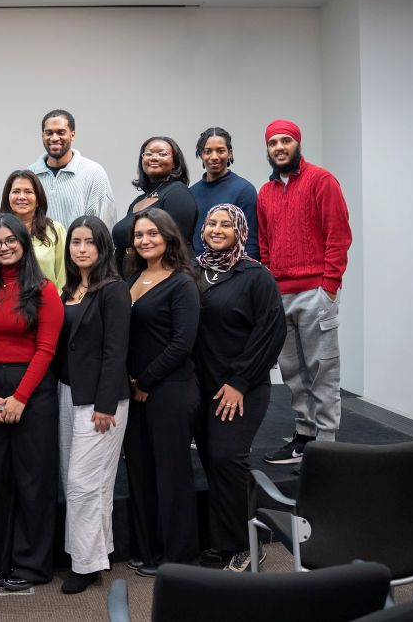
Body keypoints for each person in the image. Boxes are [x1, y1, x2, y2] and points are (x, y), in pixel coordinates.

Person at [0, 214, 64, 592]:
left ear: (24, 243)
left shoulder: (45, 290)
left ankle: (33, 564)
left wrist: (21, 397)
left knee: (33, 479)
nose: (4, 247)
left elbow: (46, 349)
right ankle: (2, 560)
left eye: (11, 240)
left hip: (32, 391)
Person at [192, 204, 286, 572]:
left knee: (228, 458)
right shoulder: (194, 271)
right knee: (215, 463)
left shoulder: (255, 276)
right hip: (201, 387)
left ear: (240, 231)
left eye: (226, 224)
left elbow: (271, 333)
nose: (217, 229)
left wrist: (239, 383)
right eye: (211, 223)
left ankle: (247, 542)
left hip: (241, 387)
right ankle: (226, 540)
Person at [258, 119, 352, 463]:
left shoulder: (321, 181)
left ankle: (326, 446)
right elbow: (265, 243)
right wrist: (270, 282)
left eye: (285, 141)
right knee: (293, 372)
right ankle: (305, 434)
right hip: (280, 295)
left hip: (316, 291)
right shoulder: (265, 192)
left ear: (297, 143)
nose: (279, 148)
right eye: (272, 143)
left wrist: (328, 288)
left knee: (322, 370)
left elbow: (338, 237)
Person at [54, 216, 131, 594]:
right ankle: (97, 553)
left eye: (89, 242)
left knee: (83, 483)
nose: (81, 248)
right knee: (88, 483)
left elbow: (116, 351)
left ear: (102, 247)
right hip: (68, 394)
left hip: (101, 401)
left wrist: (105, 405)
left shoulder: (114, 290)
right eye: (75, 242)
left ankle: (83, 566)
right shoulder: (68, 290)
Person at [123, 209, 201, 576]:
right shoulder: (133, 277)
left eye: (153, 233)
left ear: (169, 237)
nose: (145, 240)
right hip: (136, 392)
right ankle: (150, 550)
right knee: (141, 473)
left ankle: (178, 556)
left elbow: (183, 343)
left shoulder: (183, 282)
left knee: (172, 475)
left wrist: (146, 382)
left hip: (169, 389)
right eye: (139, 235)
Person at [112, 136, 198, 275]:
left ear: (175, 163)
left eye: (162, 154)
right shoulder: (139, 199)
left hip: (161, 277)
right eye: (149, 153)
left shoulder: (177, 193)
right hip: (131, 276)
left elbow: (175, 245)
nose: (154, 157)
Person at [28, 109, 116, 229]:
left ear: (72, 135)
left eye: (61, 132)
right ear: (42, 135)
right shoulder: (30, 175)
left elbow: (104, 225)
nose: (54, 138)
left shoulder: (93, 173)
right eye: (49, 133)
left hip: (81, 248)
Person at [189, 127, 259, 258]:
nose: (214, 157)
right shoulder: (191, 193)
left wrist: (248, 274)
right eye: (208, 151)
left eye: (220, 151)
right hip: (198, 270)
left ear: (230, 153)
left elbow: (251, 243)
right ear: (200, 154)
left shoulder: (244, 190)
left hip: (234, 271)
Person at [0, 169, 66, 287]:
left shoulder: (55, 230)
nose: (21, 197)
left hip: (47, 302)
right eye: (16, 191)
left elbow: (64, 278)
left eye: (28, 192)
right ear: (7, 198)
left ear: (38, 199)